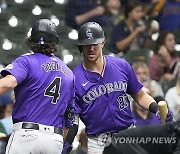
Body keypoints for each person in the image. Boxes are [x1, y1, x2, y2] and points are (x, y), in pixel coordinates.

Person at [62, 22, 173, 154]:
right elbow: (73, 120)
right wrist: (67, 144)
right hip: (98, 142)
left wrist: (155, 109)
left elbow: (140, 95)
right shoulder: (75, 79)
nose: (91, 48)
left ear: (102, 42)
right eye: (87, 45)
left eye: (94, 44)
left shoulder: (121, 65)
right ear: (80, 46)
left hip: (127, 135)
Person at [0, 19, 75, 154]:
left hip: (26, 134)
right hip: (54, 140)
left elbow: (7, 84)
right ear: (55, 42)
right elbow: (69, 117)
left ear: (31, 40)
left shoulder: (27, 61)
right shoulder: (69, 73)